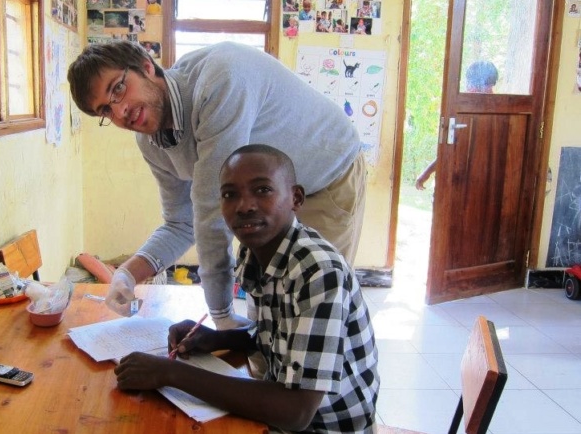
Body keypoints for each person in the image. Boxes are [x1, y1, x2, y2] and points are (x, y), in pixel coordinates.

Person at [67, 41, 365, 330]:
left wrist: (220, 313)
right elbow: (181, 223)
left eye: (118, 88)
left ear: (146, 66)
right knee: (267, 312)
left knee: (312, 304)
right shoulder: (150, 141)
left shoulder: (221, 80)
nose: (120, 113)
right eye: (105, 110)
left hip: (325, 176)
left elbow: (211, 207)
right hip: (270, 198)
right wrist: (127, 274)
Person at [114, 145, 379, 433]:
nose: (244, 206)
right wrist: (217, 339)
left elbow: (296, 411)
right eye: (230, 194)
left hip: (324, 427)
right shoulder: (257, 250)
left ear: (296, 198)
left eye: (262, 190)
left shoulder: (318, 272)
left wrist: (171, 372)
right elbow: (278, 334)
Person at [415, 60, 498, 190]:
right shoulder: (466, 110)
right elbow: (449, 149)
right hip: (460, 183)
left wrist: (427, 173)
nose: (468, 88)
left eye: (470, 84)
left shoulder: (496, 114)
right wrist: (427, 173)